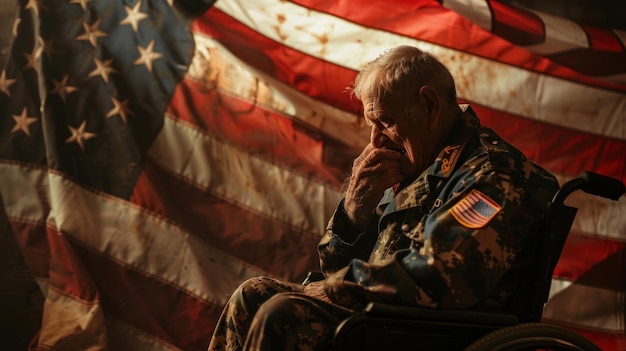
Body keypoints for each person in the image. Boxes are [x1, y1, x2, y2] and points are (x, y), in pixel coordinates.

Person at [207, 45, 560, 351]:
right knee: (253, 295)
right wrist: (355, 209)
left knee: (281, 315)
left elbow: (442, 278)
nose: (376, 141)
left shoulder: (493, 173)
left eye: (386, 121)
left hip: (437, 333)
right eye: (371, 123)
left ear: (428, 105)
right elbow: (336, 267)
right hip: (385, 322)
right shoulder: (418, 165)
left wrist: (335, 290)